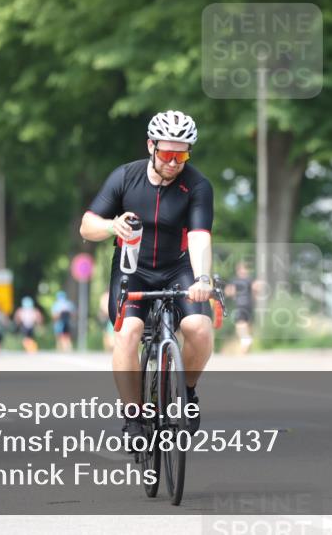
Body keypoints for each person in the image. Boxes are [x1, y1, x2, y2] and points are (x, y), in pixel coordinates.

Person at [80, 110, 214, 441]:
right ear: (150, 146)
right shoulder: (125, 177)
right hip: (132, 269)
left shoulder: (196, 185)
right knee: (129, 331)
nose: (173, 162)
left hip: (177, 267)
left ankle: (187, 393)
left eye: (181, 154)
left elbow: (199, 235)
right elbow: (87, 226)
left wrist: (204, 279)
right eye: (167, 153)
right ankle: (134, 418)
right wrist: (112, 225)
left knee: (199, 327)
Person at [226, 261, 255, 353]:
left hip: (240, 304)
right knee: (247, 323)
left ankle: (246, 339)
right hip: (249, 305)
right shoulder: (250, 279)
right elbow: (255, 290)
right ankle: (246, 345)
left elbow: (229, 291)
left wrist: (231, 295)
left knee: (239, 324)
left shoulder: (235, 280)